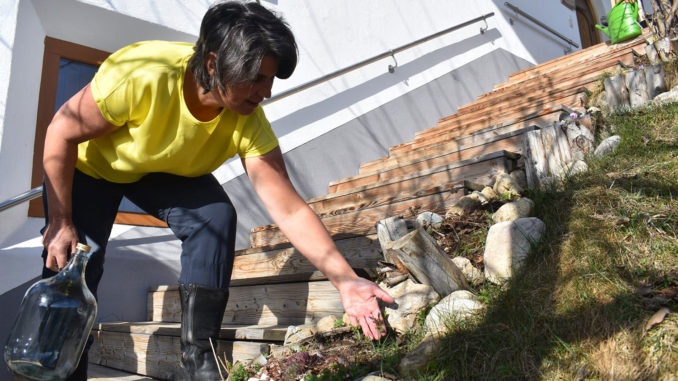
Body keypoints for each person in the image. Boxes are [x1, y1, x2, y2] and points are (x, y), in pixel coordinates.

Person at [39, 1, 394, 380]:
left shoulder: (248, 121)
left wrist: (344, 279)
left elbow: (288, 209)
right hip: (93, 168)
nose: (267, 91)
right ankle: (52, 372)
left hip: (164, 170)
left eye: (271, 80)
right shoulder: (142, 75)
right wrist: (60, 221)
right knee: (77, 268)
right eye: (257, 78)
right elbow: (60, 132)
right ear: (213, 64)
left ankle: (199, 361)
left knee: (215, 214)